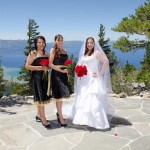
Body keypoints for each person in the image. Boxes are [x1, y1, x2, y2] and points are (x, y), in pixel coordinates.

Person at [71, 37, 115, 129]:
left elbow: (106, 61)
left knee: (94, 98)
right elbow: (80, 65)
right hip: (84, 79)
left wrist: (101, 72)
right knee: (83, 98)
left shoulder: (97, 53)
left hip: (93, 78)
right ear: (86, 44)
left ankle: (97, 121)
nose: (89, 44)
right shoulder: (84, 54)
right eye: (88, 43)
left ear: (94, 44)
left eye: (91, 43)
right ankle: (83, 119)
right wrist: (79, 70)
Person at [25, 35, 51, 129]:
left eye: (43, 42)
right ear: (36, 43)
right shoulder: (33, 53)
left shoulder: (46, 54)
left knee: (42, 96)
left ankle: (39, 115)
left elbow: (49, 66)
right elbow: (27, 66)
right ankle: (43, 118)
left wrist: (47, 68)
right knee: (40, 97)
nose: (41, 44)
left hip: (45, 78)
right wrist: (39, 68)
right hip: (36, 78)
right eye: (39, 42)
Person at [49, 34, 72, 127]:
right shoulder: (53, 50)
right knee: (58, 97)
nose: (60, 42)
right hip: (56, 75)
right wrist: (61, 70)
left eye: (61, 40)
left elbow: (64, 63)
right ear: (55, 41)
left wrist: (66, 70)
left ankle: (59, 114)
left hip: (63, 75)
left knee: (61, 96)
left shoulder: (65, 51)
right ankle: (61, 117)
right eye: (58, 40)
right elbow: (50, 64)